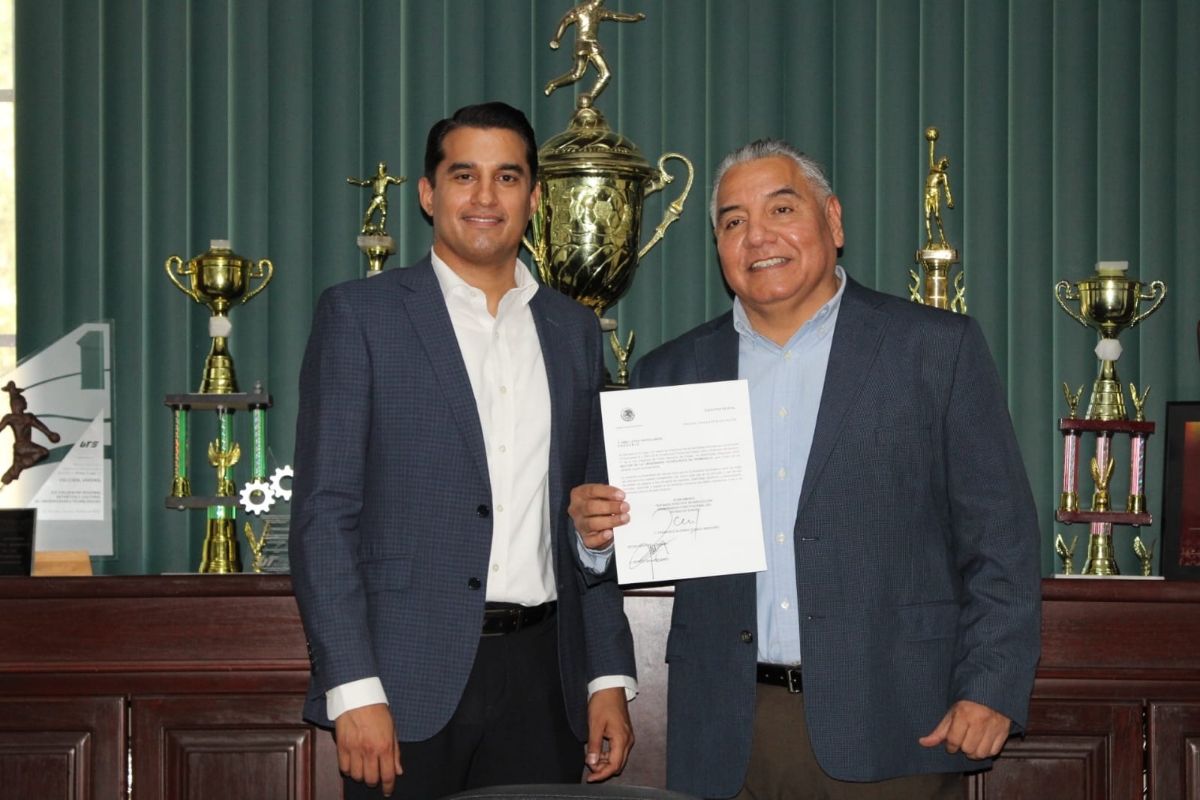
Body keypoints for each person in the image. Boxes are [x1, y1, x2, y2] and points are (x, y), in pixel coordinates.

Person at [570, 139, 1042, 799]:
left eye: (781, 209)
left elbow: (1003, 544)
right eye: (733, 221)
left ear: (834, 221)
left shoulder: (935, 351)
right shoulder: (669, 374)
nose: (757, 235)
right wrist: (596, 540)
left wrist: (990, 687)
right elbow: (638, 549)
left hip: (892, 726)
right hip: (726, 732)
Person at [291, 102, 636, 800]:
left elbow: (591, 514)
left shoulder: (573, 332)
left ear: (535, 199)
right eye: (464, 175)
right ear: (428, 193)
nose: (485, 197)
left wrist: (606, 678)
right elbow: (324, 519)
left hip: (544, 681)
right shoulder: (360, 316)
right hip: (400, 683)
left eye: (507, 177)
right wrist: (352, 687)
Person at [544, 0, 646, 105]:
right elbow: (564, 21)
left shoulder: (599, 11)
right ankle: (553, 84)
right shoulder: (579, 10)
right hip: (582, 44)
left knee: (606, 74)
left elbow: (615, 16)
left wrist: (633, 18)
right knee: (577, 74)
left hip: (593, 45)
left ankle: (589, 99)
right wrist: (556, 38)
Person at [0, 381, 60, 485]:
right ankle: (22, 463)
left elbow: (42, 428)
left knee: (12, 473)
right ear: (18, 404)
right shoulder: (26, 417)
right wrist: (50, 434)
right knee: (43, 452)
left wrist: (50, 434)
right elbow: (42, 428)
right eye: (24, 401)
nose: (26, 403)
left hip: (18, 447)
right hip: (24, 446)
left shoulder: (10, 418)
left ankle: (8, 477)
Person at [347, 162, 407, 235]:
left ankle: (381, 229)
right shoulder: (374, 178)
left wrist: (402, 179)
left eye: (381, 167)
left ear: (384, 168)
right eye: (379, 167)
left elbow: (396, 181)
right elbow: (363, 183)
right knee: (369, 212)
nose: (379, 169)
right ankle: (365, 225)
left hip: (382, 197)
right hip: (375, 197)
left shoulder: (386, 177)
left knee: (384, 213)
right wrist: (354, 181)